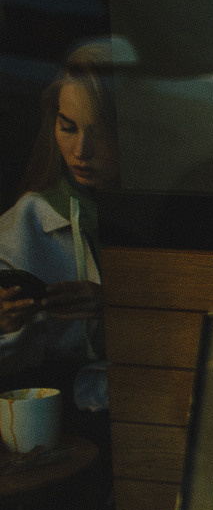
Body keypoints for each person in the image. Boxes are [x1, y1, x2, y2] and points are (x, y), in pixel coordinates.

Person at [1, 49, 119, 399]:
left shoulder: (164, 219)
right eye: (67, 127)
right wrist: (6, 327)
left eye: (101, 132)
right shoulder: (30, 220)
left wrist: (116, 308)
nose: (80, 151)